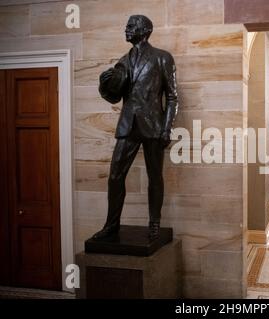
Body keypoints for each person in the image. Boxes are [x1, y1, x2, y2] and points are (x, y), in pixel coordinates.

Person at [92, 15, 178, 240]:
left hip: (153, 126)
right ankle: (112, 225)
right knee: (115, 176)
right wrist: (105, 83)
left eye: (131, 26)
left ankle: (154, 223)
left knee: (155, 176)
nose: (126, 29)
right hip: (128, 125)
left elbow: (172, 97)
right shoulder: (123, 61)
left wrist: (167, 128)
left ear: (145, 30)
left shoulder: (162, 58)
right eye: (127, 26)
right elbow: (113, 96)